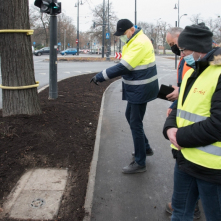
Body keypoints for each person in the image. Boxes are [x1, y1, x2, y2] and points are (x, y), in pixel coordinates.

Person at [163, 23, 221, 221]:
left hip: (213, 170)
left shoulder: (218, 72)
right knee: (179, 213)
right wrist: (169, 127)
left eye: (183, 50)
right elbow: (181, 105)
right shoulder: (192, 71)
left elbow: (218, 124)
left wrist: (179, 136)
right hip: (185, 160)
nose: (181, 55)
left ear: (197, 49)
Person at [90, 19, 159, 174]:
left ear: (131, 29)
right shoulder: (134, 39)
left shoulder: (139, 42)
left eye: (123, 34)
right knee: (131, 116)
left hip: (141, 88)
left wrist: (101, 76)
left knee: (135, 122)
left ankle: (140, 162)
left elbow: (125, 66)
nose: (121, 37)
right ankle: (145, 148)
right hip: (139, 87)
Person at [165, 27, 201, 219]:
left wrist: (179, 136)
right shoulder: (186, 58)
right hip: (184, 139)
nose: (175, 49)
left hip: (194, 141)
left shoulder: (201, 63)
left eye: (173, 44)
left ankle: (193, 205)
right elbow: (185, 86)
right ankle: (190, 204)